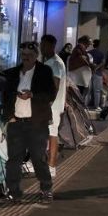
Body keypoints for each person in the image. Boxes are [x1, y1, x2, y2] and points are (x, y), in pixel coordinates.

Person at [2, 42, 57, 204]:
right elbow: (6, 96)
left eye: (30, 56)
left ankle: (46, 188)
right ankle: (13, 191)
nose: (26, 58)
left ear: (36, 56)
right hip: (16, 123)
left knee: (38, 158)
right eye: (23, 55)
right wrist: (8, 116)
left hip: (37, 124)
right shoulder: (13, 73)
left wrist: (32, 95)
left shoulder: (44, 72)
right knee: (14, 160)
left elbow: (50, 94)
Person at [40, 34, 66, 179]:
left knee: (52, 135)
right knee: (46, 134)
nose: (41, 48)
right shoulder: (52, 62)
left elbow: (54, 85)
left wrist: (47, 103)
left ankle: (51, 166)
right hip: (51, 106)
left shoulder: (55, 63)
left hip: (52, 107)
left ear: (52, 46)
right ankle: (44, 163)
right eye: (41, 45)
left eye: (44, 45)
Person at [89, 39, 106, 111]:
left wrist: (92, 67)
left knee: (88, 90)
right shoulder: (101, 53)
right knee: (97, 91)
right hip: (98, 74)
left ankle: (86, 105)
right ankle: (96, 106)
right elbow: (103, 63)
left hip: (89, 73)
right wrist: (97, 68)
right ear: (99, 45)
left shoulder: (88, 52)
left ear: (93, 45)